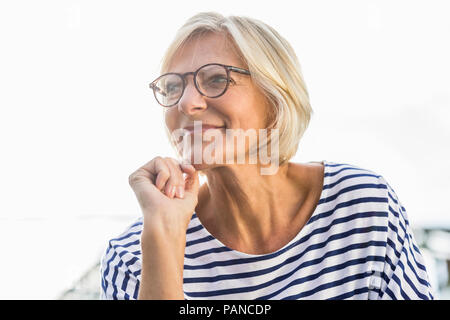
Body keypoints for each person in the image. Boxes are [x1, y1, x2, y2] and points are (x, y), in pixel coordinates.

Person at [100, 12, 433, 300]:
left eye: (216, 79)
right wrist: (164, 237)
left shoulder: (362, 206)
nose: (186, 103)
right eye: (173, 87)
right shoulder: (132, 256)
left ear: (275, 97)